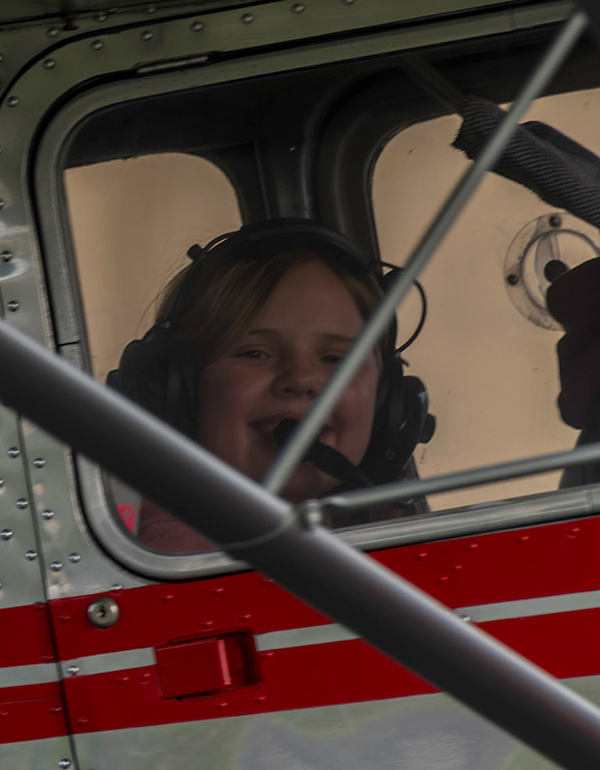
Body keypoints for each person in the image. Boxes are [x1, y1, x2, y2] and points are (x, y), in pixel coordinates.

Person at [108, 220, 433, 553]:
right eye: (255, 353)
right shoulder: (168, 557)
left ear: (386, 401)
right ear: (173, 391)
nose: (301, 379)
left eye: (336, 358)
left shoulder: (391, 528)